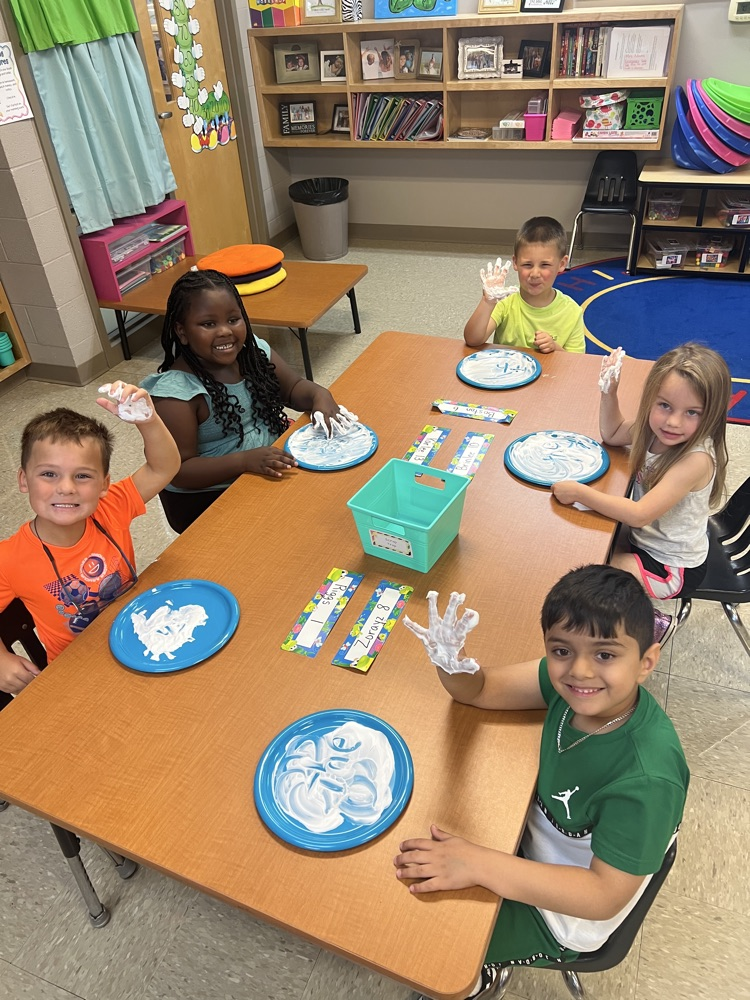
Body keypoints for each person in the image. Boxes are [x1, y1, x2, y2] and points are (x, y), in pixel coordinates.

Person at [399, 571, 688, 1000]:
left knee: (431, 945)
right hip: (531, 842)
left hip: (563, 911)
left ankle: (481, 984)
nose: (581, 669)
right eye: (561, 650)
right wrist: (450, 663)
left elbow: (602, 896)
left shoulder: (647, 780)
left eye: (606, 655)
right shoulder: (570, 685)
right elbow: (480, 690)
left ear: (647, 662)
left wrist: (477, 863)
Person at [0, 388, 180, 695]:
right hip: (80, 672)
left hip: (143, 639)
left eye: (82, 476)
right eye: (48, 474)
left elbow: (164, 467)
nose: (66, 488)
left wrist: (148, 421)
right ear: (23, 480)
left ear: (104, 484)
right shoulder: (9, 559)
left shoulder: (113, 507)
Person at [141, 268, 348, 534]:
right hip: (209, 497)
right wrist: (244, 461)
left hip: (265, 464)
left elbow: (294, 388)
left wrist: (320, 396)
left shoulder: (254, 352)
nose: (225, 331)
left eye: (233, 319)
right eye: (208, 324)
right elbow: (178, 471)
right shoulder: (176, 394)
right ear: (181, 332)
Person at [552, 343, 731, 643]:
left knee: (597, 578)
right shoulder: (653, 429)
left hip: (672, 565)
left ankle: (654, 622)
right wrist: (609, 392)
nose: (673, 421)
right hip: (646, 539)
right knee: (588, 545)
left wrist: (579, 493)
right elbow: (612, 433)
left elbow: (639, 514)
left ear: (711, 415)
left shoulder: (696, 460)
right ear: (651, 400)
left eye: (692, 412)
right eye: (664, 406)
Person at [464, 216, 586, 354]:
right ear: (515, 263)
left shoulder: (572, 312)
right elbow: (472, 340)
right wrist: (487, 301)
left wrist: (555, 348)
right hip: (507, 372)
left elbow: (576, 363)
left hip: (552, 374)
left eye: (545, 265)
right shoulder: (505, 302)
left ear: (562, 264)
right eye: (527, 264)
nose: (534, 274)